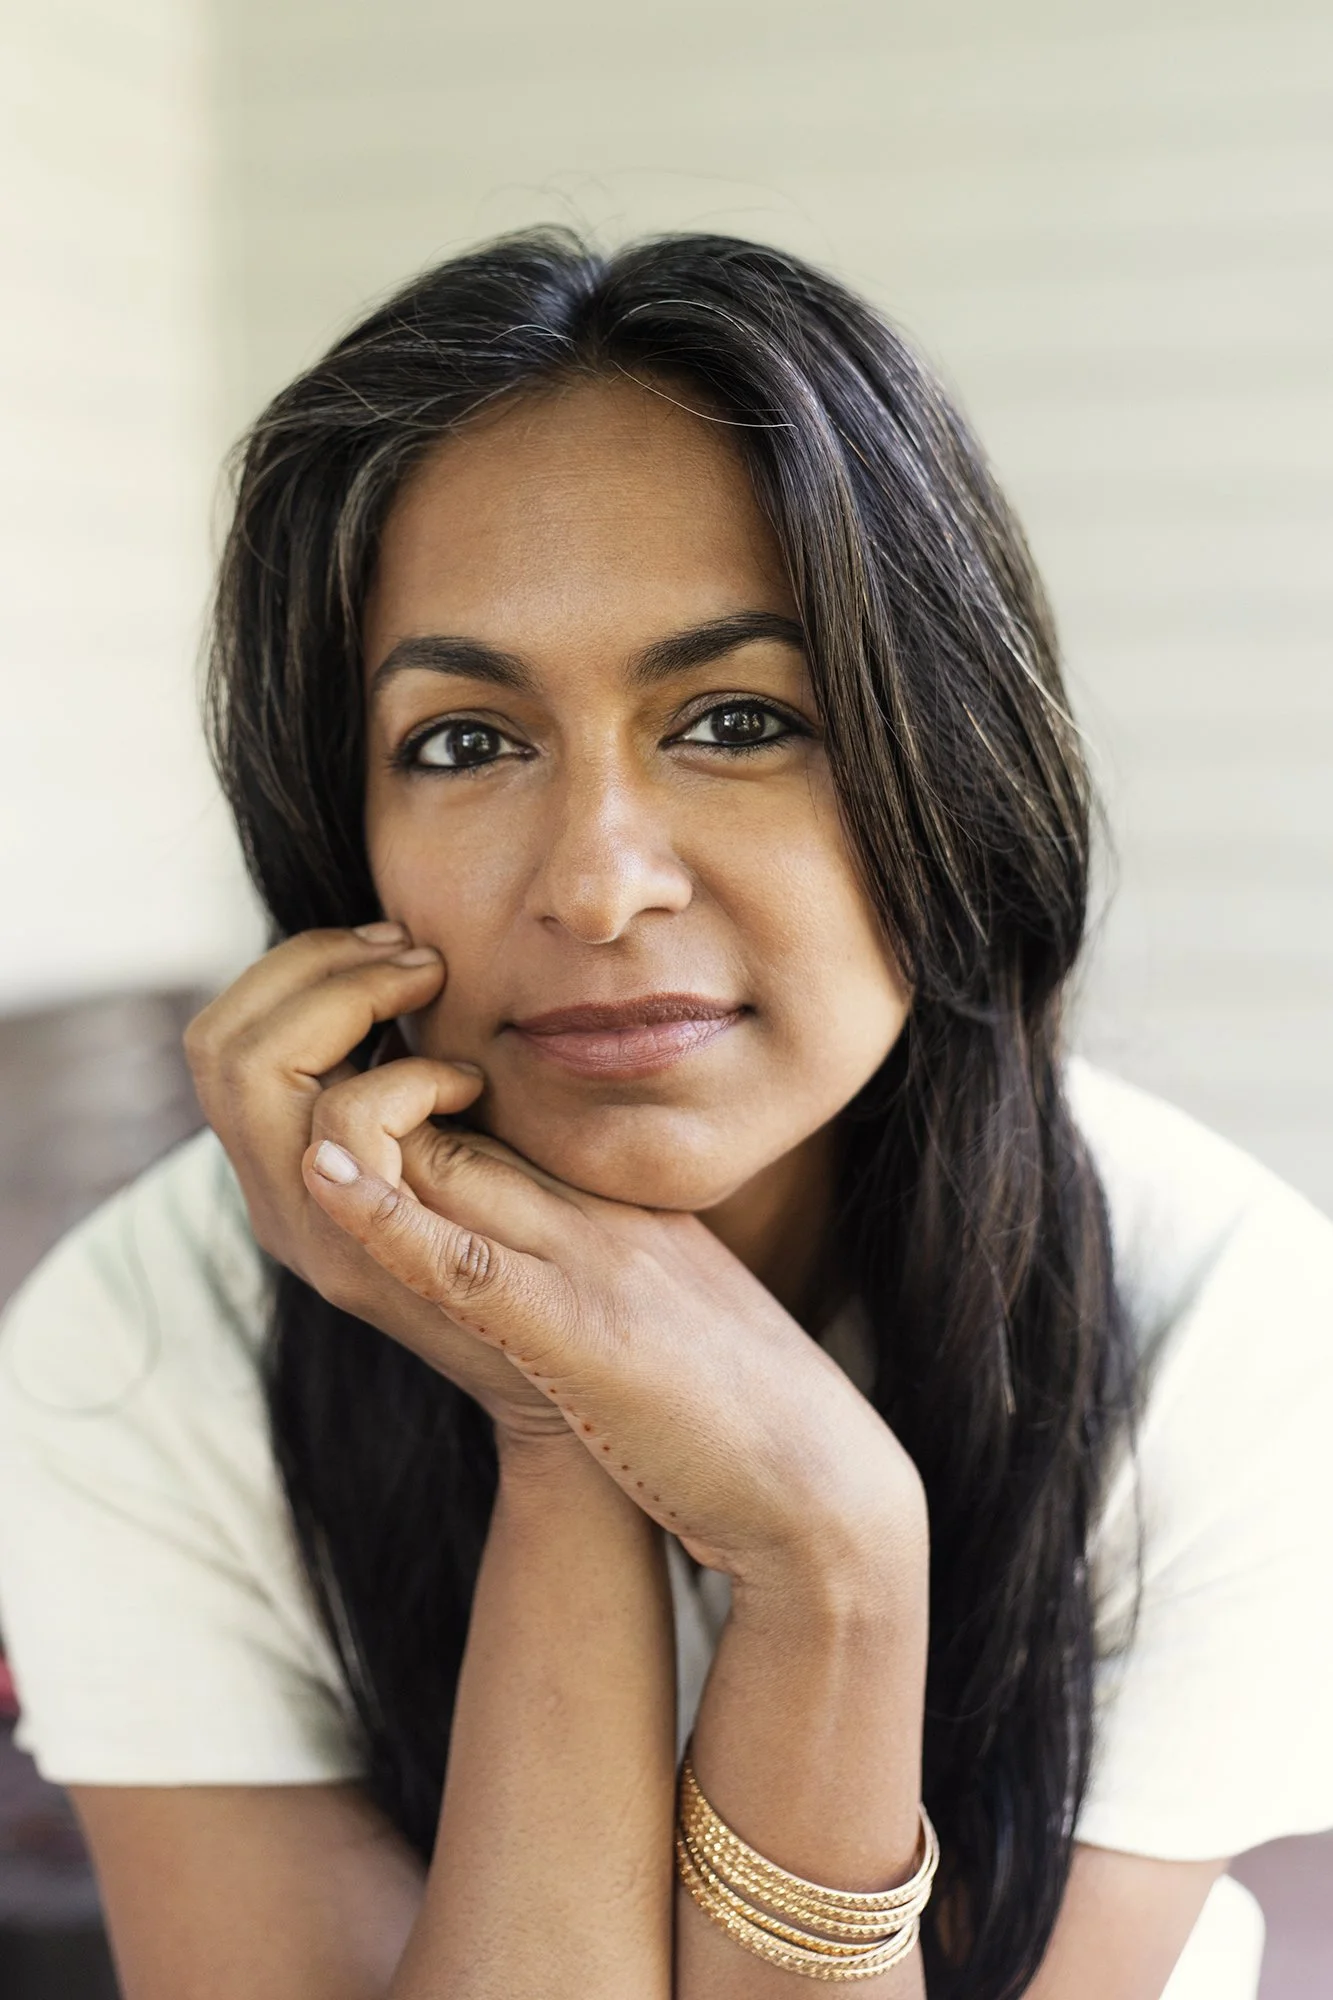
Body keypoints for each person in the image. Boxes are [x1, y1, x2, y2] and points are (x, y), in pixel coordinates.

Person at [0, 231, 1329, 2000]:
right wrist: (561, 1433)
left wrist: (832, 1554)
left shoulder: (1226, 1328)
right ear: (342, 846)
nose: (603, 884)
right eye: (465, 743)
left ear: (948, 773)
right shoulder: (139, 1346)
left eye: (736, 717)